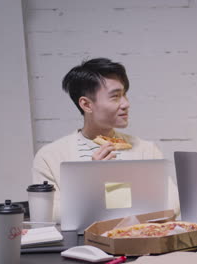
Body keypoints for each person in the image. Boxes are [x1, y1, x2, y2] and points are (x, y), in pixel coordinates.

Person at [32, 58, 178, 222]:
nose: (125, 104)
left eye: (124, 95)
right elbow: (47, 215)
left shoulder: (146, 150)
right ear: (87, 105)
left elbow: (171, 205)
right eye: (115, 97)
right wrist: (92, 183)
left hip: (142, 242)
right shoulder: (50, 156)